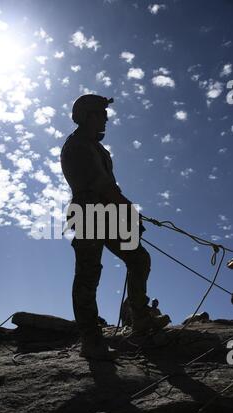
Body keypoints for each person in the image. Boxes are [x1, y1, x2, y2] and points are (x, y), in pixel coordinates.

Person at [60, 94, 170, 360]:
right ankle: (91, 339)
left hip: (106, 215)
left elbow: (109, 188)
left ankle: (140, 318)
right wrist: (130, 212)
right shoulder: (78, 145)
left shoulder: (96, 148)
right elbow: (102, 186)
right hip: (89, 216)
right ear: (87, 116)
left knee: (139, 258)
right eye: (101, 114)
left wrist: (126, 215)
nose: (106, 119)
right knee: (88, 274)